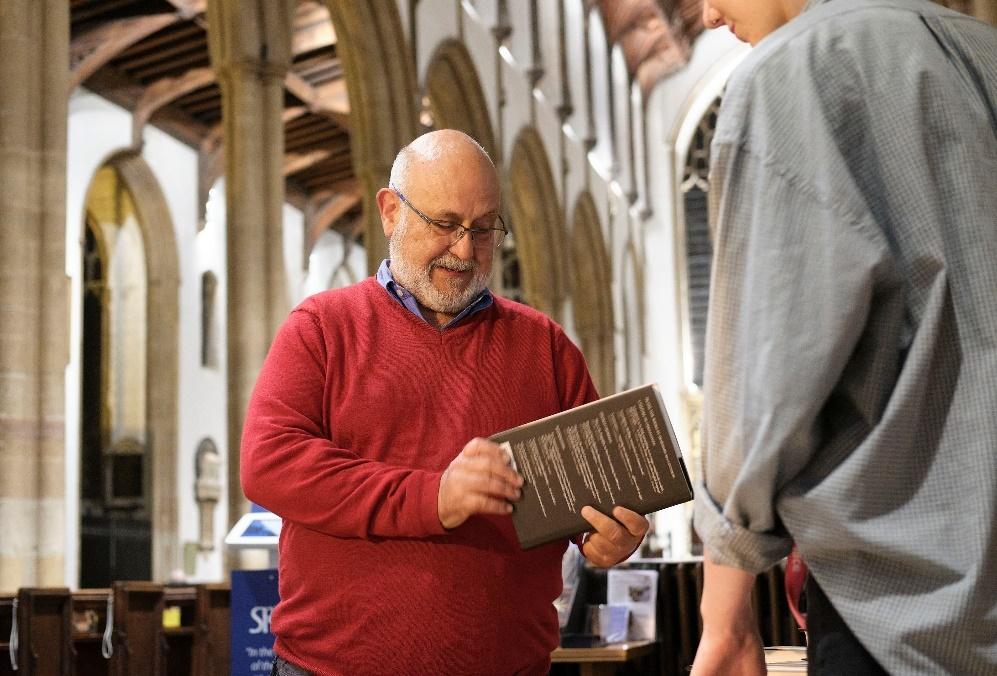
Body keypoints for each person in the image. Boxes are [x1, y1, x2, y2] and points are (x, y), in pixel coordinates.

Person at [241, 129, 649, 676]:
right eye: (445, 224)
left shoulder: (545, 347)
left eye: (483, 229)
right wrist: (434, 498)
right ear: (390, 211)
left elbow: (591, 498)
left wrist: (607, 537)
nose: (464, 249)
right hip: (331, 667)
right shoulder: (322, 328)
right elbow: (269, 463)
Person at [690, 1, 997, 674]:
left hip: (898, 617)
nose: (708, 15)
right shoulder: (982, 50)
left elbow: (764, 385)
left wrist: (724, 614)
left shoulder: (788, 75)